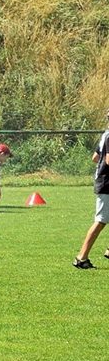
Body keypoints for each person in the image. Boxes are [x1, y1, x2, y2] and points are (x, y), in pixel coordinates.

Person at [73, 109, 109, 269]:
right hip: (107, 184)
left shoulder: (105, 135)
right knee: (100, 221)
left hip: (104, 181)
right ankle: (81, 257)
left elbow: (95, 158)